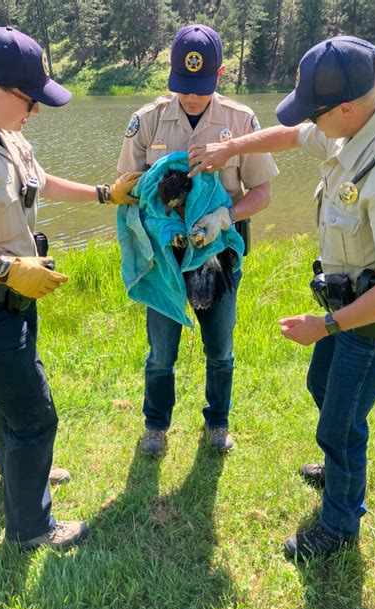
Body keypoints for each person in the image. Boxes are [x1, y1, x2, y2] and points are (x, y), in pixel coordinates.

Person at [189, 35, 375, 559]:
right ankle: (341, 463)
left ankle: (338, 526)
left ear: (347, 107)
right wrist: (230, 148)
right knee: (323, 386)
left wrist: (327, 327)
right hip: (349, 301)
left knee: (341, 420)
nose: (312, 123)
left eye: (319, 112)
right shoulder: (350, 126)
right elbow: (292, 135)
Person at [0, 26, 139, 550]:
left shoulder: (5, 132)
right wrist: (5, 269)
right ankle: (32, 529)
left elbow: (39, 180)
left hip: (11, 300)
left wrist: (103, 194)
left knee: (8, 397)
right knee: (34, 413)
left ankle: (20, 473)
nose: (35, 110)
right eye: (28, 99)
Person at [117, 24, 278, 455]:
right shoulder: (146, 120)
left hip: (219, 253)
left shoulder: (242, 121)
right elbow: (125, 187)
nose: (191, 97)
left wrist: (226, 214)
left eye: (201, 88)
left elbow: (261, 192)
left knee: (221, 349)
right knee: (161, 352)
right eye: (183, 87)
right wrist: (160, 209)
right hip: (164, 258)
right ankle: (155, 425)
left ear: (220, 74)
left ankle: (218, 422)